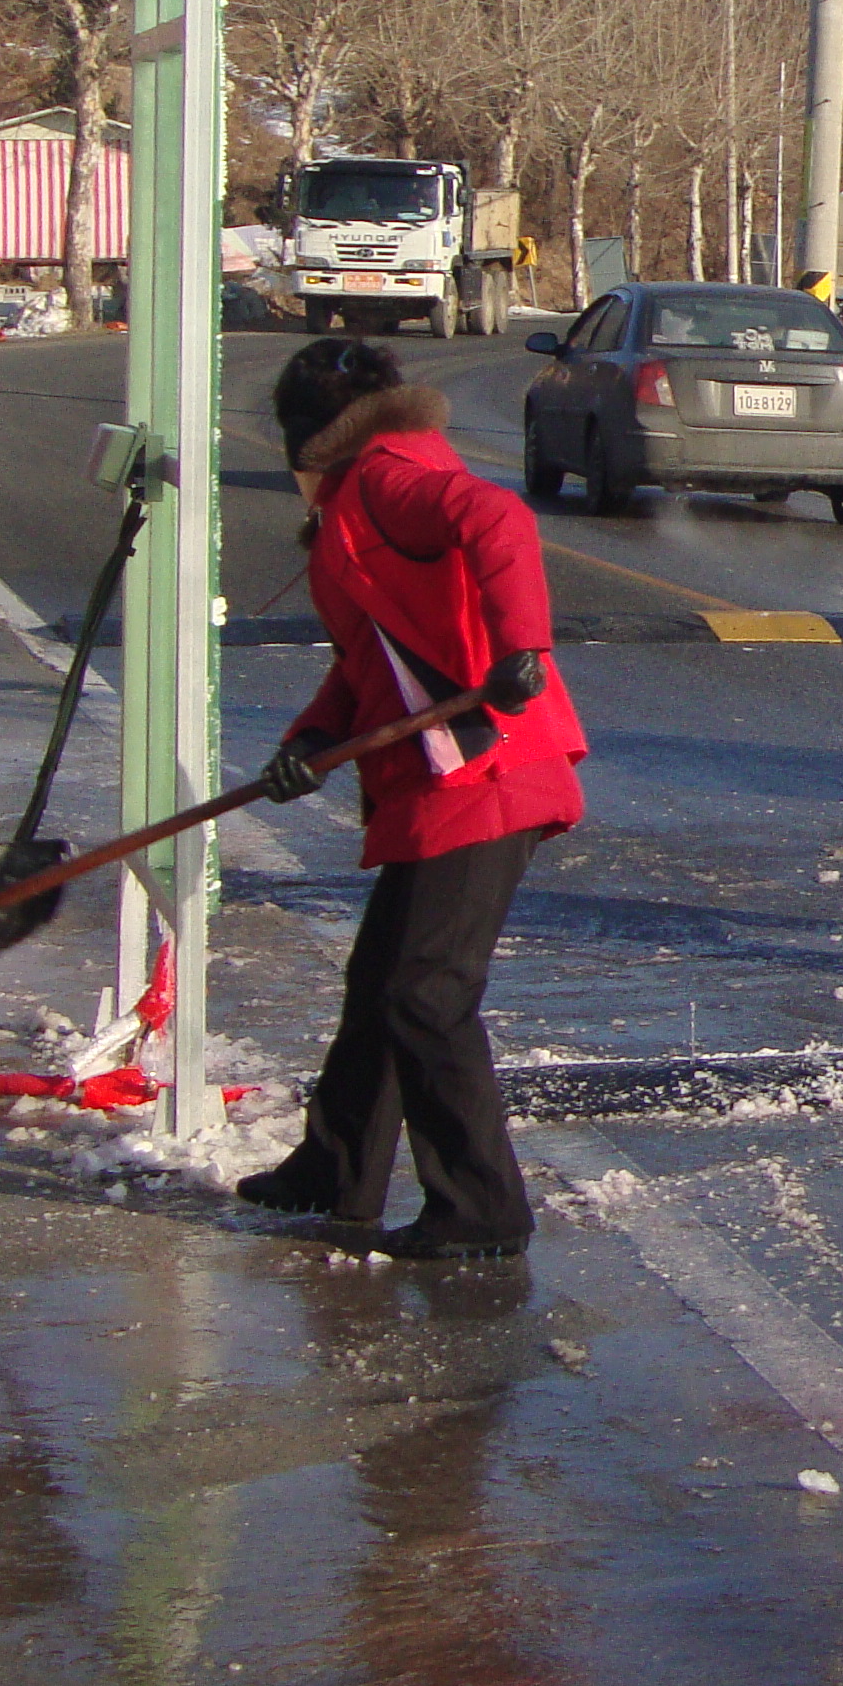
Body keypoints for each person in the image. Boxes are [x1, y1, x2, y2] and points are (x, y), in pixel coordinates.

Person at [239, 338, 589, 1259]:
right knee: (379, 988)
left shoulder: (387, 477)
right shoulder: (370, 486)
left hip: (490, 766)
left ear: (306, 439)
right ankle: (333, 1174)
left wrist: (522, 646)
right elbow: (373, 664)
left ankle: (481, 1211)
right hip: (446, 771)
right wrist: (308, 744)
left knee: (425, 994)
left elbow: (500, 519)